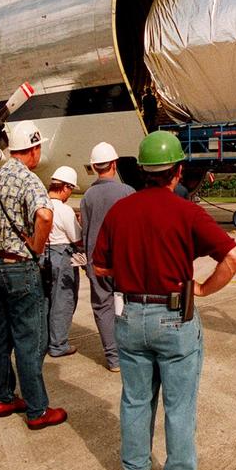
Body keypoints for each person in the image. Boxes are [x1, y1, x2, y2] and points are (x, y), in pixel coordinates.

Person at [92, 130, 236, 470]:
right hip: (174, 314)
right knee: (179, 404)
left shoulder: (119, 211)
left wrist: (131, 271)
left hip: (129, 315)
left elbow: (100, 269)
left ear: (142, 170)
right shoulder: (186, 211)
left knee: (135, 399)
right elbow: (234, 257)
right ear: (177, 171)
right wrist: (204, 289)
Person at [0, 121, 66, 430]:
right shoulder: (30, 181)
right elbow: (45, 215)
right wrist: (36, 244)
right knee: (29, 342)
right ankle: (37, 410)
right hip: (20, 267)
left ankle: (4, 397)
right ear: (32, 150)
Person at [79, 141, 133, 372]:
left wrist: (86, 260)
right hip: (124, 262)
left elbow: (85, 230)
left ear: (94, 167)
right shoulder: (127, 192)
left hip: (97, 262)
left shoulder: (88, 196)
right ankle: (130, 353)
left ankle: (113, 359)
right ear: (114, 163)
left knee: (102, 307)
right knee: (129, 305)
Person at [43, 165, 82, 359]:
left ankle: (44, 340)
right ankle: (58, 344)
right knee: (63, 301)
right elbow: (77, 238)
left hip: (43, 255)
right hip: (62, 255)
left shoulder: (40, 204)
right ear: (65, 187)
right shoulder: (64, 210)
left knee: (45, 300)